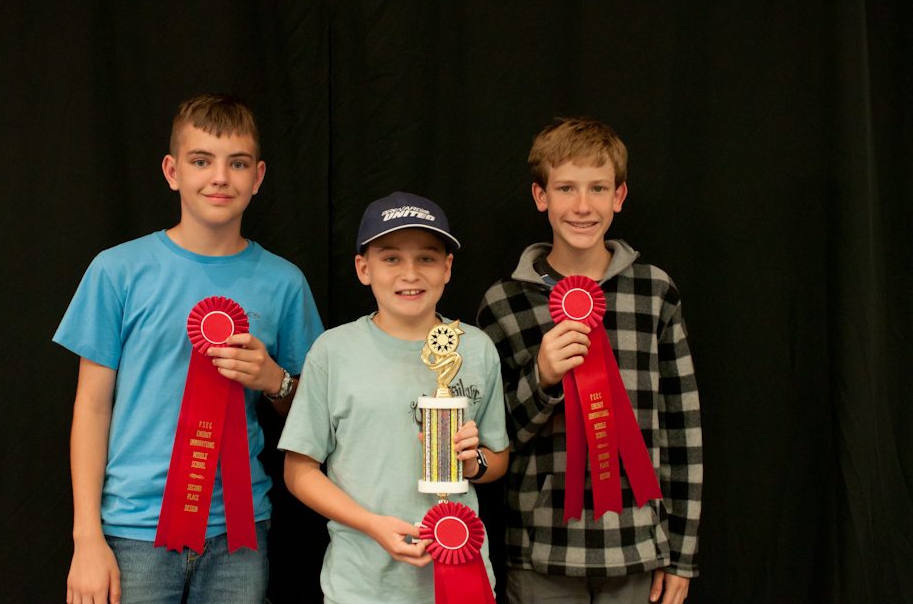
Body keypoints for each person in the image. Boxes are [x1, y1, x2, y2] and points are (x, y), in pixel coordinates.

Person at [54, 94, 323, 604]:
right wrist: (86, 537)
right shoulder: (117, 271)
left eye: (237, 164)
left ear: (258, 177)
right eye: (201, 161)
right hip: (133, 530)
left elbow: (315, 414)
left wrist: (275, 381)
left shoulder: (285, 283)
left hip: (239, 531)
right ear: (172, 171)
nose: (220, 178)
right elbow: (91, 406)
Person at [476, 118, 701, 604]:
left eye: (598, 188)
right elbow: (491, 440)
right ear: (541, 196)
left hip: (637, 548)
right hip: (541, 552)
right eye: (566, 188)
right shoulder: (504, 302)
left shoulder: (655, 292)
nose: (582, 205)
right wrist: (541, 378)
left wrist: (681, 554)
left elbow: (683, 431)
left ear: (619, 196)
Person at [278, 192, 511, 603]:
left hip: (463, 579)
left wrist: (473, 463)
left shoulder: (475, 348)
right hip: (362, 587)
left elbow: (498, 458)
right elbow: (299, 470)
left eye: (426, 258)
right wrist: (371, 524)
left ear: (447, 268)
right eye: (391, 258)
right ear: (363, 268)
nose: (410, 273)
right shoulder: (333, 351)